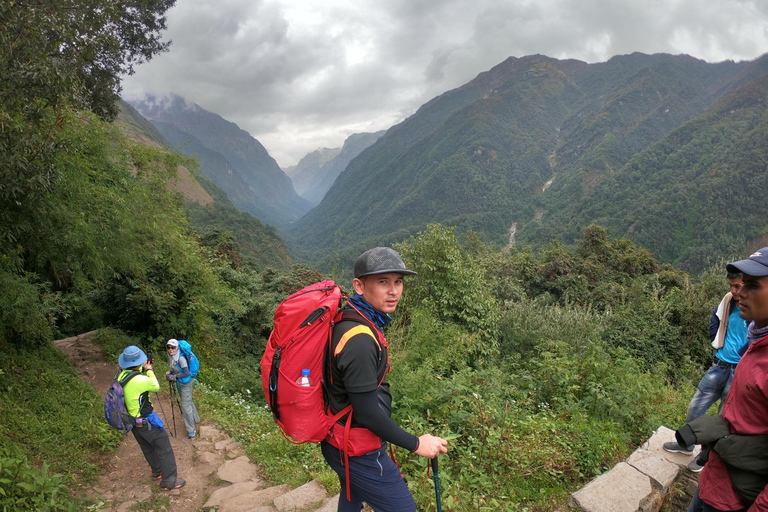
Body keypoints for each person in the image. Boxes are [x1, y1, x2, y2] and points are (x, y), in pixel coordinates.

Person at [321, 247, 449, 512]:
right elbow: (367, 413)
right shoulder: (359, 339)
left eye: (398, 282)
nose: (394, 291)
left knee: (351, 496)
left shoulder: (353, 318)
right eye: (383, 282)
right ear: (358, 285)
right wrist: (417, 443)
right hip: (359, 450)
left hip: (340, 441)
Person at [687, 248, 768, 511]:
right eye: (740, 284)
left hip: (735, 496)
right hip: (715, 479)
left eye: (752, 285)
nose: (740, 292)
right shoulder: (756, 341)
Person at [664, 272, 748, 472]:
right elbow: (715, 318)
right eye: (731, 286)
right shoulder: (728, 301)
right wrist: (716, 343)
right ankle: (686, 445)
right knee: (695, 407)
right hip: (719, 365)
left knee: (722, 420)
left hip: (739, 372)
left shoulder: (758, 308)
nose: (734, 291)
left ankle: (705, 457)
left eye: (738, 286)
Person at [117, 345, 185, 490]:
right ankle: (169, 482)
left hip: (133, 422)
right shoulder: (141, 380)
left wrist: (143, 368)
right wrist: (149, 370)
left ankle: (157, 472)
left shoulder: (121, 375)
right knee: (164, 448)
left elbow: (134, 376)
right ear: (138, 362)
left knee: (147, 447)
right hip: (147, 421)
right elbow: (155, 386)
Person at [165, 339, 201, 439]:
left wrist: (175, 377)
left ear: (177, 348)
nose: (170, 349)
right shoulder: (172, 357)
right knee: (188, 402)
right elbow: (176, 370)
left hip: (186, 384)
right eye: (168, 347)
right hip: (180, 384)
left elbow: (186, 373)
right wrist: (170, 374)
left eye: (173, 347)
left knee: (185, 407)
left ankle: (191, 430)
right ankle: (196, 419)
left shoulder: (181, 358)